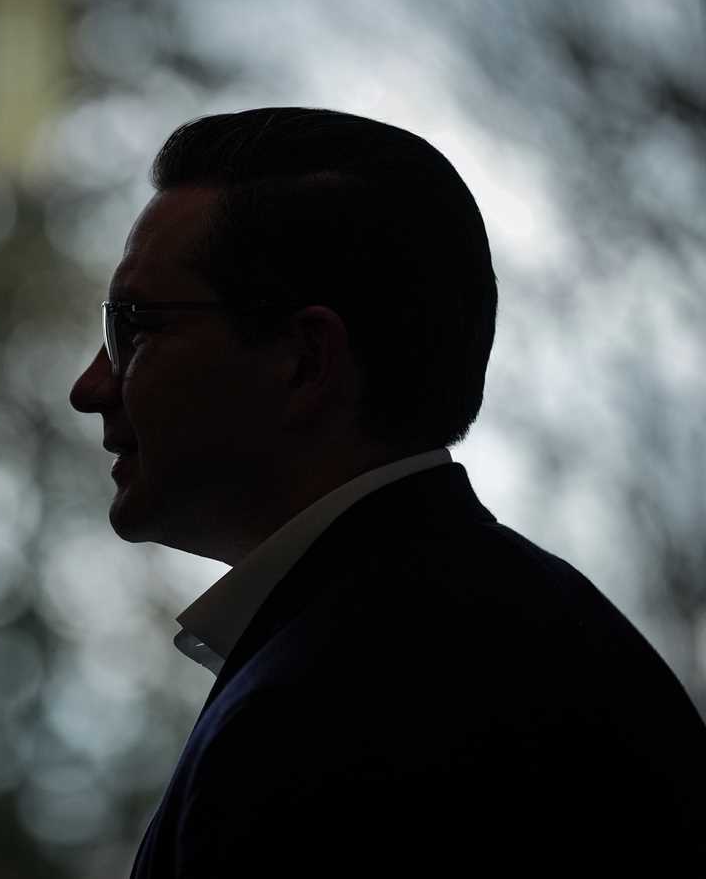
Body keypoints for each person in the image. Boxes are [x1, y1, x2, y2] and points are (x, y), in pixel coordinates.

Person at [68, 107, 706, 874]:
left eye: (135, 328)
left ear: (304, 361)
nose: (90, 386)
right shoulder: (531, 637)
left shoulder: (326, 716)